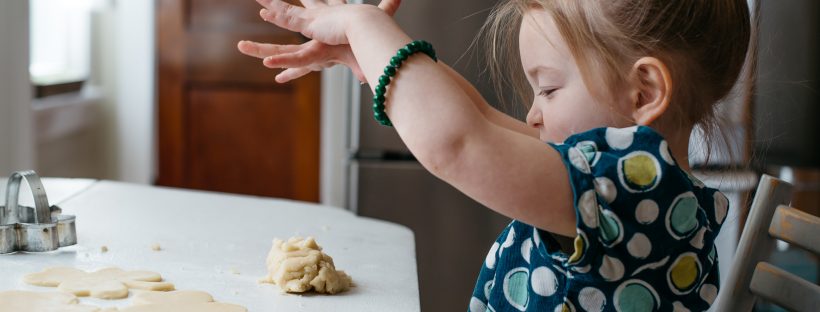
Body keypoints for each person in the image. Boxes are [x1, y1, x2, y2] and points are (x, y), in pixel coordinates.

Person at [237, 0, 750, 310]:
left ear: (643, 93)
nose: (532, 114)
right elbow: (476, 116)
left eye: (547, 89)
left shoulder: (631, 191)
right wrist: (372, 62)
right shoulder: (632, 188)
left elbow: (458, 141)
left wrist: (366, 27)